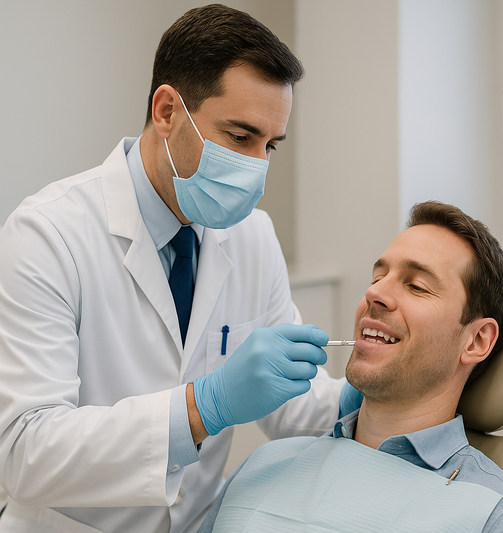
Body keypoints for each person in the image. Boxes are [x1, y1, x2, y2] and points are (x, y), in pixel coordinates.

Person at [0, 5, 361, 532]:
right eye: (240, 138)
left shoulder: (253, 237)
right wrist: (202, 407)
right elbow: (24, 454)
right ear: (167, 110)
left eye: (270, 146)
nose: (257, 168)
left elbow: (292, 407)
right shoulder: (47, 236)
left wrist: (378, 385)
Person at [197, 201, 503, 533]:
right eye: (377, 278)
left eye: (416, 286)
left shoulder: (500, 516)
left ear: (476, 341)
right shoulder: (262, 465)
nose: (375, 294)